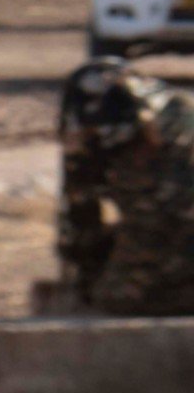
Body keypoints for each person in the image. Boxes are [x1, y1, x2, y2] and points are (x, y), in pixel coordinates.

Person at [55, 53, 194, 316]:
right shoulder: (177, 110)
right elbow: (81, 213)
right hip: (155, 228)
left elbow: (164, 215)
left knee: (117, 299)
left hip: (170, 230)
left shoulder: (174, 125)